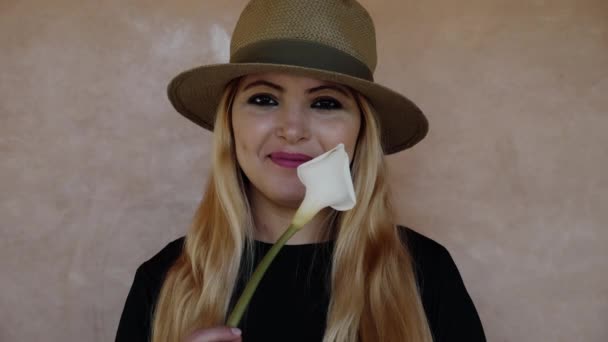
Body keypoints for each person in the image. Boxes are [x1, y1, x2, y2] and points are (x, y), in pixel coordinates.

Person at [116, 0, 486, 341]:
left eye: (325, 103)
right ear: (229, 124)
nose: (292, 130)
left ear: (361, 131)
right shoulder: (163, 281)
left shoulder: (424, 274)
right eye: (264, 99)